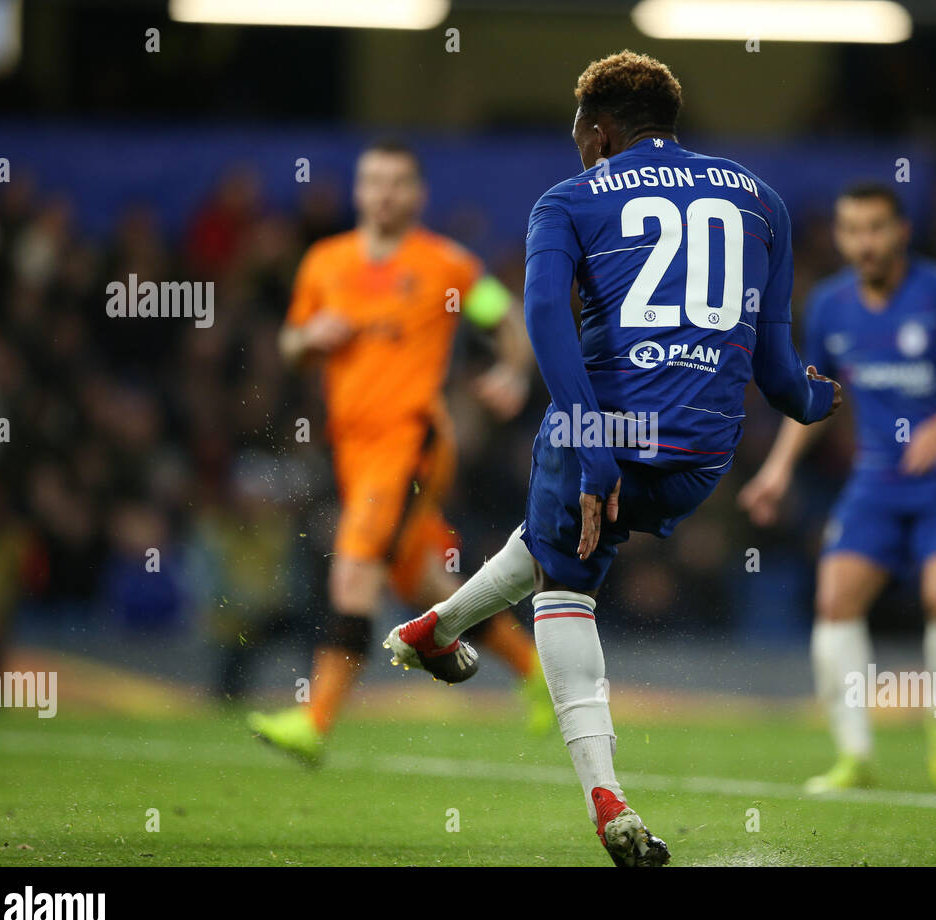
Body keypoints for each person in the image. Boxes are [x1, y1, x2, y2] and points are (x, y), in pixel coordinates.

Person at [383, 51, 840, 866]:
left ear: (598, 134)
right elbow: (780, 376)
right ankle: (435, 626)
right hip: (702, 457)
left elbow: (546, 328)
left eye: (575, 133)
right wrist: (816, 401)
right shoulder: (762, 201)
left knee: (567, 575)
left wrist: (593, 442)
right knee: (556, 542)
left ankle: (607, 800)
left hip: (598, 431)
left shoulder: (566, 200)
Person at [247, 140, 549, 765]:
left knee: (354, 567)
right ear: (359, 193)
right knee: (427, 581)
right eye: (372, 182)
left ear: (417, 195)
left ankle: (315, 721)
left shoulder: (445, 266)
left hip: (411, 440)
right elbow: (288, 344)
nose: (384, 194)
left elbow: (505, 317)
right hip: (354, 451)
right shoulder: (324, 264)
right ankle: (539, 676)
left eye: (397, 183)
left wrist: (515, 372)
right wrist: (309, 336)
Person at [738, 183, 936, 794]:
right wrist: (778, 469)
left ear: (901, 232)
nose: (864, 242)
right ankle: (854, 756)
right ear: (839, 237)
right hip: (875, 482)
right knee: (835, 603)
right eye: (852, 230)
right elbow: (817, 397)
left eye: (876, 228)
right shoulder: (831, 305)